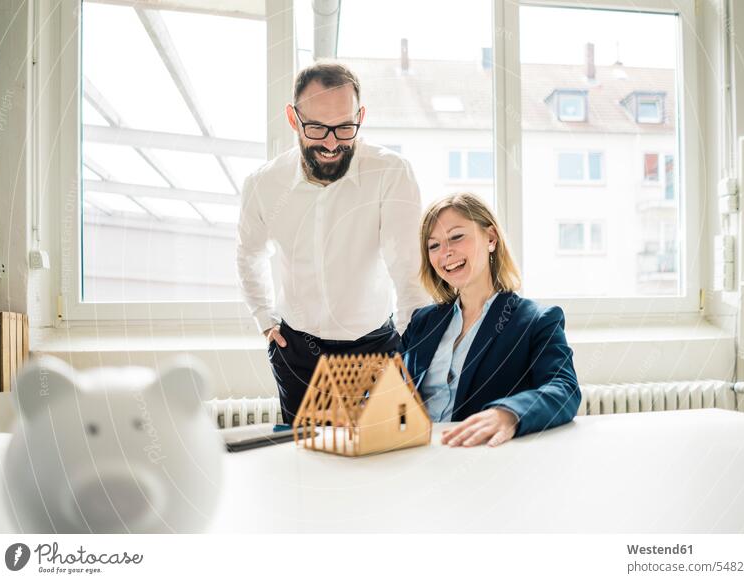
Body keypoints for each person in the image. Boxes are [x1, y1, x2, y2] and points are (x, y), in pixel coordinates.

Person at [236, 62, 428, 425]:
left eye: (344, 127)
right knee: (306, 466)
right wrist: (264, 319)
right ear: (293, 119)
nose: (331, 142)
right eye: (316, 128)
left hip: (377, 349)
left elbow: (408, 269)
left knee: (381, 464)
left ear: (361, 117)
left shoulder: (391, 173)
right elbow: (249, 254)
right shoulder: (263, 184)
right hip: (297, 354)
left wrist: (410, 346)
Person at [400, 193, 580, 447]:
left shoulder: (537, 321)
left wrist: (507, 414)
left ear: (491, 239)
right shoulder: (422, 322)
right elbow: (388, 388)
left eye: (456, 237)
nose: (445, 253)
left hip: (479, 459)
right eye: (434, 245)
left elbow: (564, 390)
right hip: (415, 456)